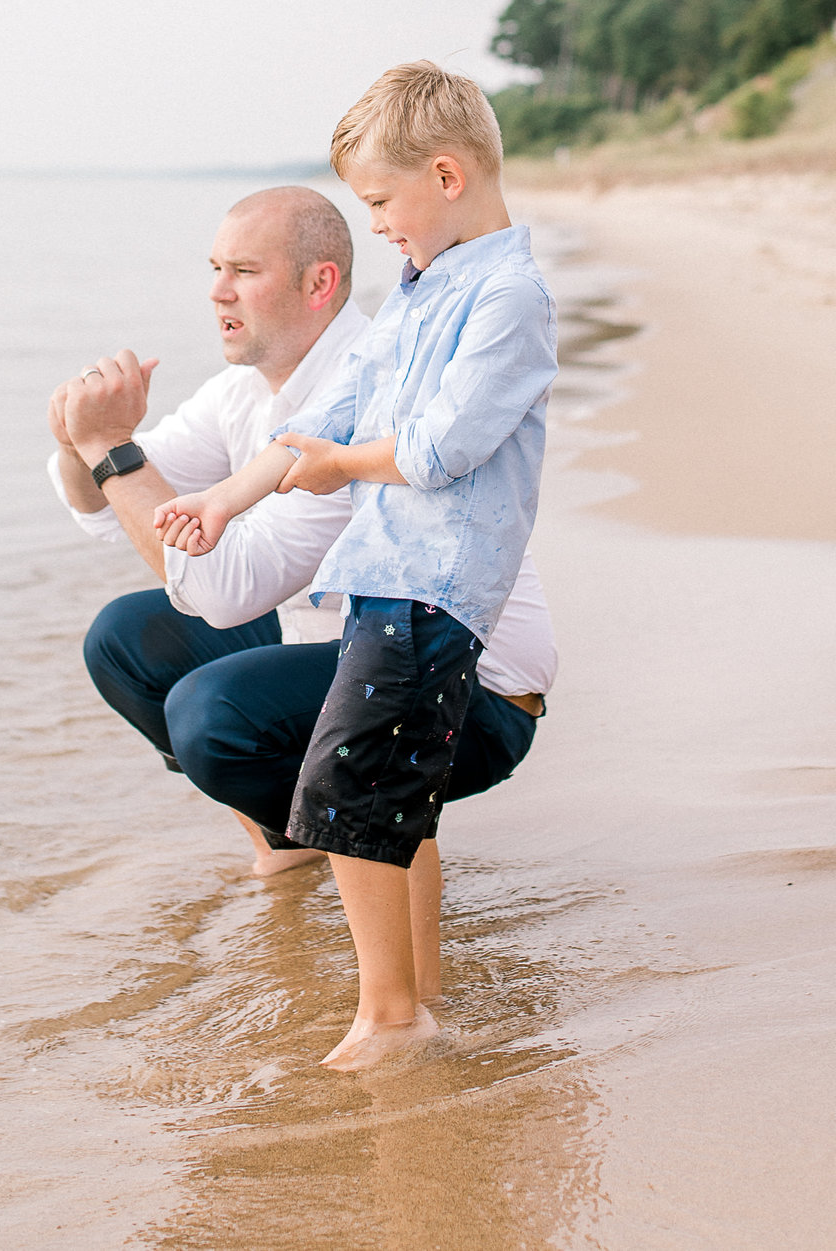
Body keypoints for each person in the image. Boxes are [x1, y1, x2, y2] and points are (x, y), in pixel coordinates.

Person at [44, 181, 555, 1016]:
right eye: (214, 268)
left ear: (318, 285)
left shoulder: (357, 392)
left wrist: (110, 445)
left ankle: (371, 856)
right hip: (352, 655)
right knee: (125, 638)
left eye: (243, 270)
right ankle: (293, 835)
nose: (216, 291)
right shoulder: (241, 392)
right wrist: (77, 437)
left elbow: (222, 586)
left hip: (471, 692)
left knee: (214, 712)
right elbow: (106, 511)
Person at [156, 61, 556, 1071]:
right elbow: (323, 419)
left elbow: (439, 448)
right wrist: (220, 497)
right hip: (387, 577)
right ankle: (414, 1000)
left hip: (443, 587)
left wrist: (338, 465)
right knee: (379, 785)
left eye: (381, 201)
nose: (374, 224)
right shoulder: (424, 290)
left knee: (352, 787)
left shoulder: (508, 297)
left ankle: (391, 1022)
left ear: (447, 175)